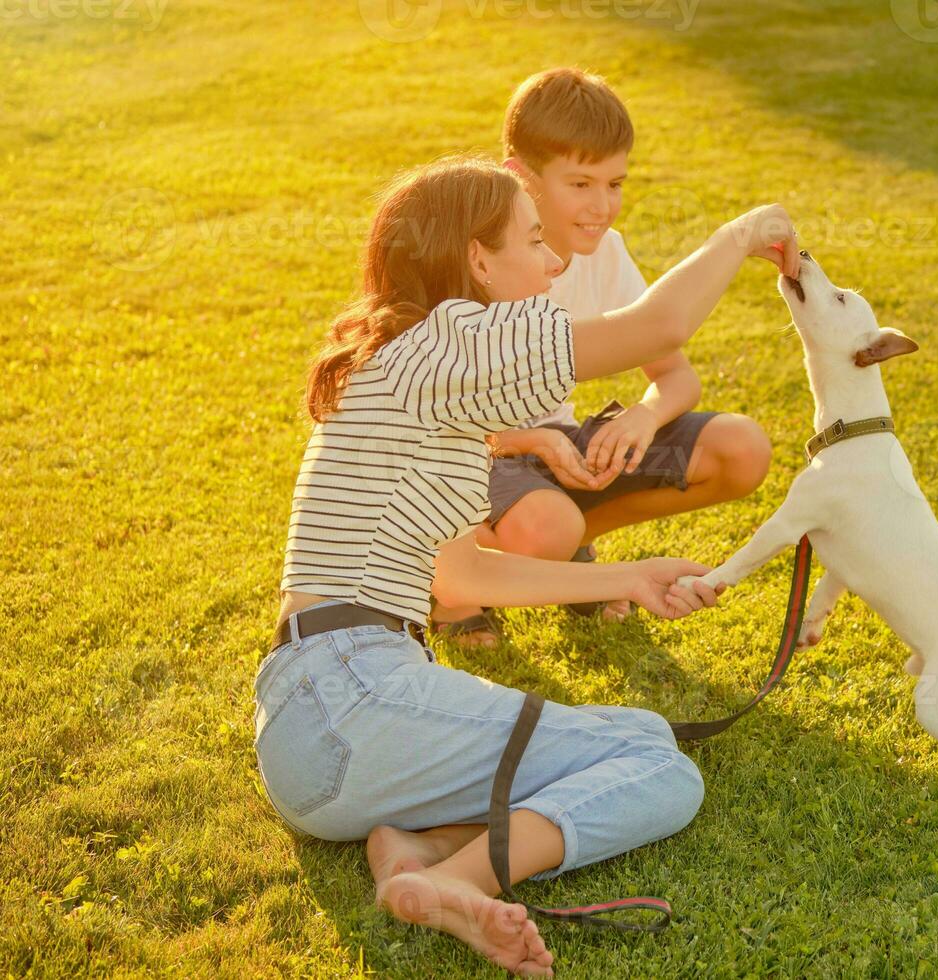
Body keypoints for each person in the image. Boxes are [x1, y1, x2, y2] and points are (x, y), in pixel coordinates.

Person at [255, 154, 799, 975]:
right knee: (658, 764)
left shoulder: (413, 364)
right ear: (478, 258)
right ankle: (451, 885)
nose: (556, 263)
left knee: (632, 737)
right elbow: (655, 331)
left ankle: (411, 847)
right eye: (534, 241)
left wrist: (628, 575)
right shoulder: (451, 337)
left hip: (314, 727)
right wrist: (743, 233)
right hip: (353, 697)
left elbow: (463, 578)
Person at [429, 68, 773, 645]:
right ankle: (451, 588)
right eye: (581, 184)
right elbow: (431, 424)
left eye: (615, 184)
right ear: (520, 177)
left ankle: (568, 563)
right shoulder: (475, 265)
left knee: (741, 449)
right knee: (549, 525)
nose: (602, 206)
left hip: (560, 449)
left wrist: (643, 416)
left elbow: (675, 376)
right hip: (478, 458)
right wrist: (535, 441)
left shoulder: (605, 252)